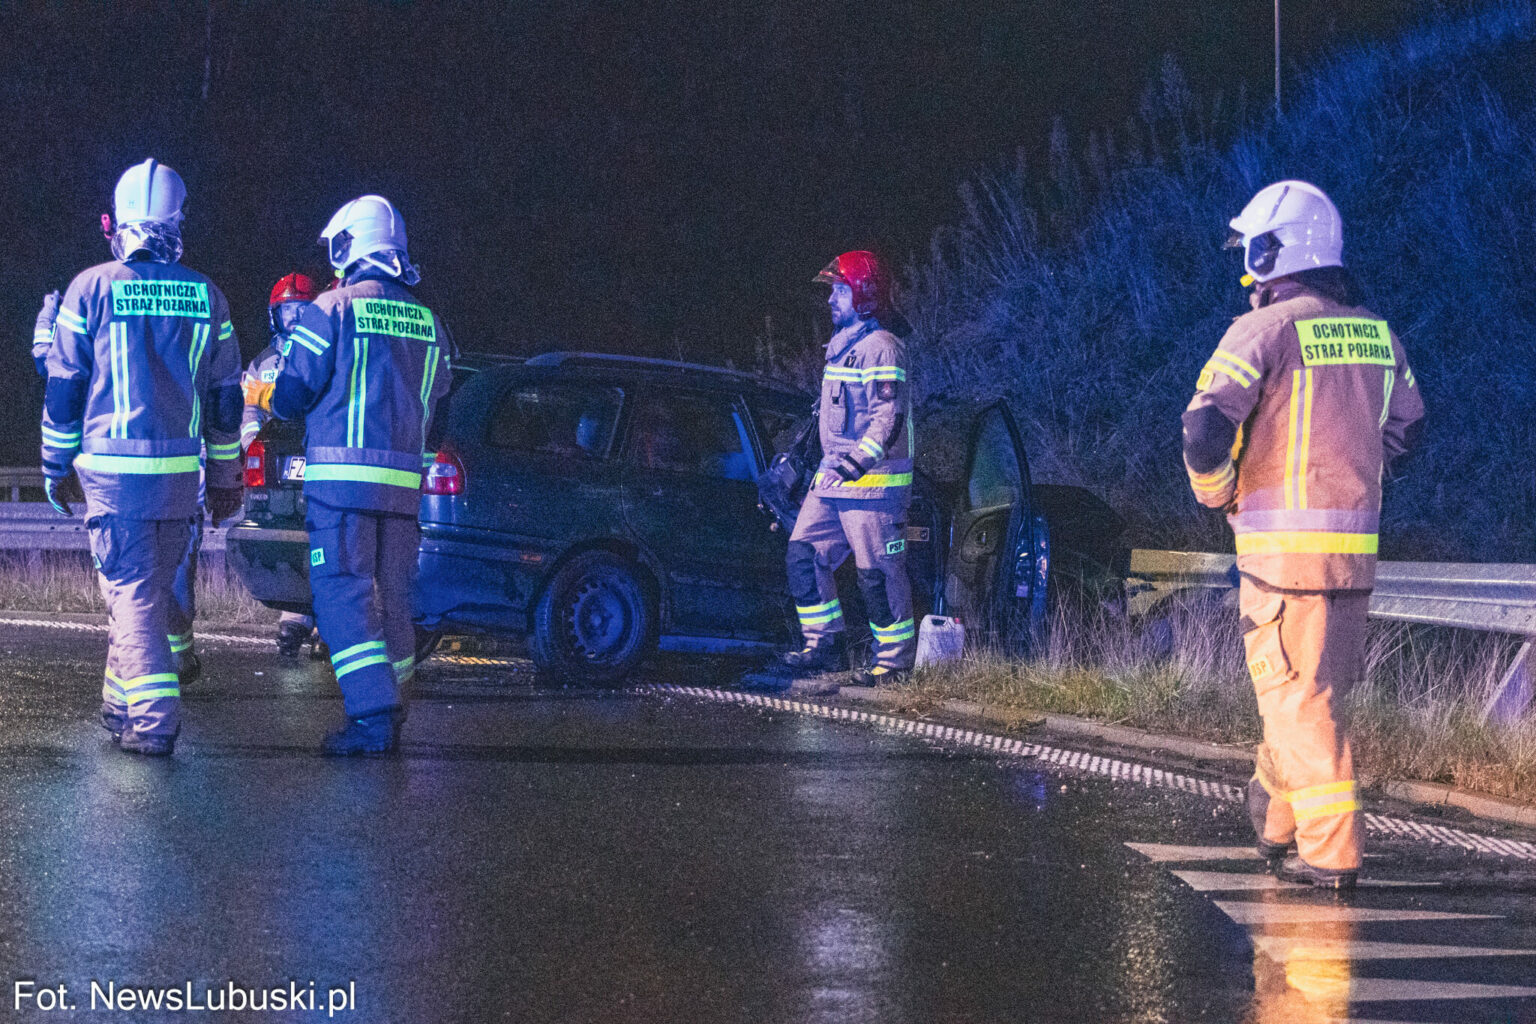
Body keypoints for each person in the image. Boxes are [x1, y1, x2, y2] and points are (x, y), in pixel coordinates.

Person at [1182, 180, 1425, 889]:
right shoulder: (1377, 334)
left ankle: (1330, 850)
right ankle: (1275, 818)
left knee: (1297, 701)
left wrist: (1217, 491)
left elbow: (1203, 428)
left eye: (1252, 251)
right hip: (1353, 561)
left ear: (1272, 250)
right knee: (1311, 696)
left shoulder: (1261, 331)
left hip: (1281, 562)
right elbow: (1409, 431)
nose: (1247, 267)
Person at [40, 158, 244, 756]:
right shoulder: (209, 296)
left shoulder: (91, 287)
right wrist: (227, 477)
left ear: (118, 222)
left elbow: (65, 389)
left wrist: (55, 468)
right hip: (181, 478)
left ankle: (152, 722)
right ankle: (118, 704)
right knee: (146, 592)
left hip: (115, 477)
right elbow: (226, 400)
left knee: (128, 594)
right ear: (178, 223)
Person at [245, 195, 451, 755]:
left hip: (341, 489)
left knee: (342, 597)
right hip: (404, 492)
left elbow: (289, 397)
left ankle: (372, 716)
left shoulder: (332, 308)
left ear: (351, 245)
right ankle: (396, 700)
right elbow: (437, 399)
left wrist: (264, 394)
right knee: (394, 602)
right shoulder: (431, 323)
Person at [774, 250, 916, 694]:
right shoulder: (843, 347)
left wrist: (854, 465)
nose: (831, 300)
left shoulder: (882, 347)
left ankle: (894, 664)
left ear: (865, 295)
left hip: (873, 487)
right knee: (803, 555)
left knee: (876, 574)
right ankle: (824, 646)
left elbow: (886, 419)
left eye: (840, 290)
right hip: (835, 481)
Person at [242, 271, 324, 657]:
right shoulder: (262, 363)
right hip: (279, 472)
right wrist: (252, 452)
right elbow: (248, 417)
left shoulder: (322, 354)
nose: (293, 319)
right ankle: (293, 620)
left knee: (323, 539)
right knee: (288, 541)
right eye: (286, 311)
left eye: (301, 311)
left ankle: (325, 622)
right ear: (274, 315)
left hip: (320, 460)